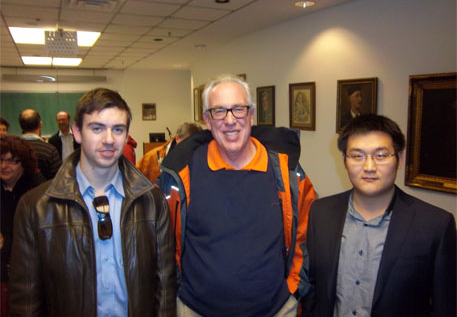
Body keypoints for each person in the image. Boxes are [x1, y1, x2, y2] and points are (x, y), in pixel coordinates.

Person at [157, 74, 316, 317]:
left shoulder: (287, 172)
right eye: (219, 111)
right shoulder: (180, 175)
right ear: (207, 121)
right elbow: (164, 244)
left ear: (251, 115)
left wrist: (293, 289)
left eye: (238, 109)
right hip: (196, 310)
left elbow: (306, 235)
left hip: (275, 310)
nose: (230, 120)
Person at [9, 88, 176, 316]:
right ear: (77, 132)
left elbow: (164, 287)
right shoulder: (35, 207)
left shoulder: (152, 201)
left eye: (118, 129)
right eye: (97, 128)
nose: (109, 140)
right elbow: (25, 300)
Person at [304, 114, 456, 317]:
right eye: (357, 156)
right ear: (344, 161)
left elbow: (445, 306)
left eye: (381, 156)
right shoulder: (321, 213)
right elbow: (314, 285)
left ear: (399, 159)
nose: (369, 167)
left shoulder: (434, 225)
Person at [1, 136, 46, 316]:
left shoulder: (37, 193)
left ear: (24, 163)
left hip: (28, 276)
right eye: (1, 160)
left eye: (12, 161)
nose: (4, 166)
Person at [137, 122, 202, 183]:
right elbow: (136, 183)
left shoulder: (199, 157)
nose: (190, 149)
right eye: (187, 143)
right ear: (177, 138)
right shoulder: (152, 157)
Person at [18, 108, 61, 179]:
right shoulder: (49, 150)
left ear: (21, 126)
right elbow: (58, 179)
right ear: (40, 124)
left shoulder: (12, 149)